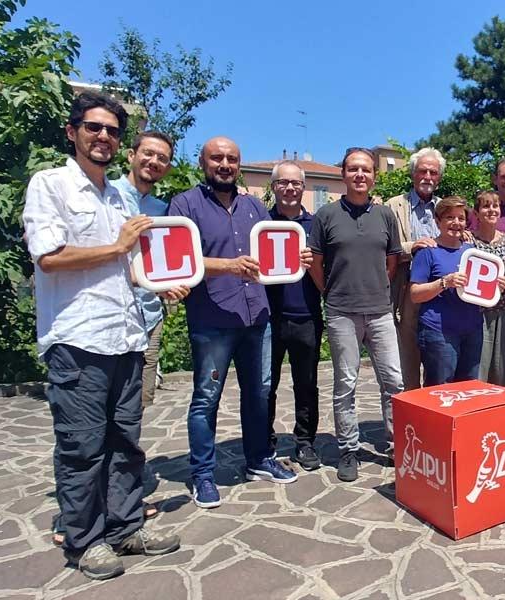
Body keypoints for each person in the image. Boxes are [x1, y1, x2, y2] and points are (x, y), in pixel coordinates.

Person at [22, 91, 182, 580]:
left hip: (126, 336)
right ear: (72, 132)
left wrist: (159, 283)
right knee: (82, 447)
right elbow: (49, 256)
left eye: (112, 130)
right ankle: (85, 541)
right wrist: (117, 246)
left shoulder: (116, 196)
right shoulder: (50, 185)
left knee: (125, 443)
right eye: (94, 127)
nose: (104, 137)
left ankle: (125, 527)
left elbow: (126, 266)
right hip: (78, 340)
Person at [169, 137, 301, 510]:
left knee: (258, 393)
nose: (225, 164)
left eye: (232, 159)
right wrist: (227, 266)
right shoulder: (185, 205)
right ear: (203, 162)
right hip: (211, 318)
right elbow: (179, 256)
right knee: (206, 398)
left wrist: (296, 258)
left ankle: (258, 460)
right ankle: (203, 475)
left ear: (239, 165)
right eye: (217, 158)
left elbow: (272, 254)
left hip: (256, 315)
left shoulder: (254, 206)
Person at [309, 147, 403, 482]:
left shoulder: (385, 216)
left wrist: (376, 289)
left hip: (380, 311)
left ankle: (397, 446)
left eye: (366, 169)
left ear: (374, 175)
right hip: (342, 313)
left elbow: (392, 262)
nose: (360, 175)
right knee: (345, 384)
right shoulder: (326, 215)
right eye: (353, 169)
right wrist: (330, 292)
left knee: (394, 382)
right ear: (343, 174)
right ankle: (348, 449)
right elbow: (315, 264)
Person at [265, 161, 325, 471]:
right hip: (268, 318)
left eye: (296, 183)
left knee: (307, 384)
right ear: (273, 187)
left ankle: (305, 441)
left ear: (303, 187)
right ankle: (265, 441)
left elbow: (328, 272)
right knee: (266, 386)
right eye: (283, 183)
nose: (290, 188)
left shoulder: (316, 225)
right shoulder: (261, 224)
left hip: (306, 316)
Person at [410, 196, 504, 385]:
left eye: (461, 218)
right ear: (438, 221)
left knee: (468, 389)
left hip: (472, 330)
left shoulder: (473, 251)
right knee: (440, 390)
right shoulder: (427, 251)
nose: (456, 222)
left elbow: (483, 287)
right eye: (449, 217)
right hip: (439, 333)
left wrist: (498, 284)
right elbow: (415, 294)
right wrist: (444, 282)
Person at [111, 131, 174, 409]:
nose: (154, 161)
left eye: (162, 158)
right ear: (131, 155)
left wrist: (169, 285)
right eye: (148, 153)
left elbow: (161, 261)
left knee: (139, 404)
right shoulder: (106, 196)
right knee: (109, 401)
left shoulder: (161, 209)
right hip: (113, 314)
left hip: (149, 314)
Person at [385, 148, 443, 390]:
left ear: (439, 177)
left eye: (433, 172)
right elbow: (383, 246)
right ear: (413, 174)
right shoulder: (394, 206)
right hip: (406, 289)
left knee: (438, 358)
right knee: (407, 358)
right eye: (423, 171)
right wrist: (412, 246)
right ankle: (409, 405)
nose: (428, 176)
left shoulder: (445, 208)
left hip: (439, 293)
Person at [470, 190, 505, 387]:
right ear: (476, 212)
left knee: (504, 366)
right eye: (486, 206)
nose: (491, 210)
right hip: (476, 312)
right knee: (479, 365)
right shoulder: (468, 240)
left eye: (495, 206)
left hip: (504, 309)